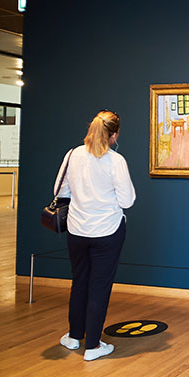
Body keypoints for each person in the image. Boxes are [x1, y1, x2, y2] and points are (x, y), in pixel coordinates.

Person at [56, 110, 136, 360]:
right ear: (114, 135)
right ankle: (92, 346)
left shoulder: (72, 155)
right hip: (107, 231)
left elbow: (59, 190)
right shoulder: (115, 161)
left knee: (79, 281)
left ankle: (73, 336)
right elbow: (128, 200)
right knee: (99, 286)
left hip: (77, 230)